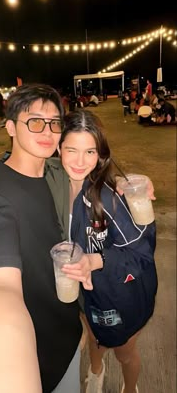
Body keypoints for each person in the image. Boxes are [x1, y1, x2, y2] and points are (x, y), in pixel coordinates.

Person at [0, 84, 83, 393]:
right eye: (35, 121)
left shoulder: (54, 172)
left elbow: (88, 174)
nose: (48, 131)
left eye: (55, 123)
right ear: (10, 127)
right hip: (41, 361)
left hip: (70, 332)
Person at [46, 109, 157, 393]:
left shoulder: (108, 199)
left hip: (120, 296)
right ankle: (96, 370)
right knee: (94, 336)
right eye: (71, 149)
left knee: (124, 352)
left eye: (90, 152)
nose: (80, 162)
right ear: (58, 147)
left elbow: (142, 254)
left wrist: (95, 260)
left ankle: (130, 388)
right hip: (84, 295)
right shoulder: (51, 182)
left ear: (100, 154)